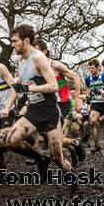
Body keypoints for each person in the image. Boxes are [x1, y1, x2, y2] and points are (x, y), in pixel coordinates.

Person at [5, 24, 72, 180]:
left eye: (15, 41)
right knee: (11, 141)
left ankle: (73, 183)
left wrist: (32, 89)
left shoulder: (39, 58)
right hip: (33, 112)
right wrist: (8, 105)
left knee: (58, 158)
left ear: (26, 41)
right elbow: (20, 87)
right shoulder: (19, 60)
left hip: (50, 113)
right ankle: (41, 159)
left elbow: (54, 86)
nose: (12, 45)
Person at [34, 38, 85, 163]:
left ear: (45, 52)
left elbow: (75, 78)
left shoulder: (55, 65)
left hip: (62, 103)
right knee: (45, 134)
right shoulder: (34, 68)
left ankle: (75, 144)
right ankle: (72, 147)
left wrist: (77, 98)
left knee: (57, 136)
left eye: (36, 52)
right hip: (47, 104)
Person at [85, 59, 104, 153]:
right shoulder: (88, 79)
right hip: (96, 104)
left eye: (92, 68)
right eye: (89, 68)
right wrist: (88, 97)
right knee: (92, 122)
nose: (91, 70)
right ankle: (97, 145)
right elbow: (88, 90)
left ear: (97, 68)